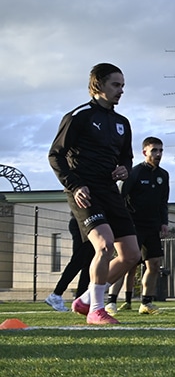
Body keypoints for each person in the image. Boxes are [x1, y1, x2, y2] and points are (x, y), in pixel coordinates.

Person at [47, 63, 141, 325]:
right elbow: (55, 155)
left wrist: (125, 169)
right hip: (84, 192)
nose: (121, 91)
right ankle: (96, 310)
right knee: (104, 245)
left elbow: (126, 157)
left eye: (123, 86)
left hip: (110, 191)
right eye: (116, 84)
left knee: (132, 255)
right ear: (98, 84)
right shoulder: (78, 116)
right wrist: (75, 185)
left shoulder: (122, 123)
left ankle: (87, 298)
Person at [106, 136, 169, 315]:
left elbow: (163, 201)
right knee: (125, 261)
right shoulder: (134, 173)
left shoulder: (163, 175)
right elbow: (120, 197)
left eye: (160, 150)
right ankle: (111, 302)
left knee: (154, 264)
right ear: (145, 152)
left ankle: (146, 303)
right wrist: (120, 220)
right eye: (154, 150)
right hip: (132, 225)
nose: (158, 154)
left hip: (152, 226)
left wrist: (164, 222)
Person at [44, 214, 93, 312]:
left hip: (89, 223)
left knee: (88, 263)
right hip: (82, 223)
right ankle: (56, 294)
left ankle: (79, 300)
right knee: (78, 261)